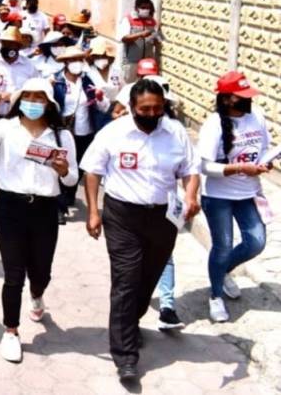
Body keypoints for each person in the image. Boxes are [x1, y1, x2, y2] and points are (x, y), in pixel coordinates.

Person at [81, 78, 200, 381]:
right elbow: (92, 171)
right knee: (126, 281)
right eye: (144, 108)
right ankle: (125, 357)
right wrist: (93, 211)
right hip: (122, 216)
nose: (151, 113)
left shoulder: (175, 133)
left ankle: (128, 325)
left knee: (148, 278)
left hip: (163, 217)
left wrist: (190, 195)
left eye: (157, 108)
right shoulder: (113, 132)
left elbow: (190, 169)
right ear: (132, 107)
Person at [0, 78, 78, 363]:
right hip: (9, 208)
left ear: (49, 102)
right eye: (27, 96)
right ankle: (11, 331)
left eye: (39, 97)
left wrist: (64, 170)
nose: (32, 102)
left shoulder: (61, 136)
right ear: (19, 99)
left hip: (44, 209)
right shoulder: (6, 127)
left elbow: (72, 178)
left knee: (41, 270)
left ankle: (38, 292)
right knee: (13, 274)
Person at [198, 72, 271, 323]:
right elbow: (205, 167)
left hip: (248, 192)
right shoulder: (214, 124)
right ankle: (215, 295)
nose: (248, 100)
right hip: (218, 196)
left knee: (256, 242)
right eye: (242, 96)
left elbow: (264, 149)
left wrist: (265, 163)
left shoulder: (257, 116)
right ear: (228, 99)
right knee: (223, 246)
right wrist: (240, 168)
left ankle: (222, 271)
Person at [52, 46, 111, 223]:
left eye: (80, 59)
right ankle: (59, 207)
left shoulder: (88, 81)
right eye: (73, 60)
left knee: (78, 167)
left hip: (85, 131)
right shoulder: (57, 82)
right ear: (66, 63)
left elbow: (104, 107)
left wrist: (100, 98)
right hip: (63, 131)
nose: (77, 64)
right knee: (61, 166)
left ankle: (69, 196)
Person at [118, 0, 161, 83]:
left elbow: (158, 40)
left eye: (148, 8)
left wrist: (157, 36)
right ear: (136, 8)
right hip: (131, 62)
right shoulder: (128, 19)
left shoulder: (152, 21)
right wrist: (140, 34)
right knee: (129, 87)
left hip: (147, 63)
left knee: (144, 87)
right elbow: (124, 38)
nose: (146, 10)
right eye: (143, 7)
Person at [85, 37, 123, 104]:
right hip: (97, 109)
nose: (101, 59)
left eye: (104, 56)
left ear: (109, 57)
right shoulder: (89, 72)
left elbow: (122, 89)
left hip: (115, 106)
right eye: (98, 56)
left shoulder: (116, 70)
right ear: (93, 57)